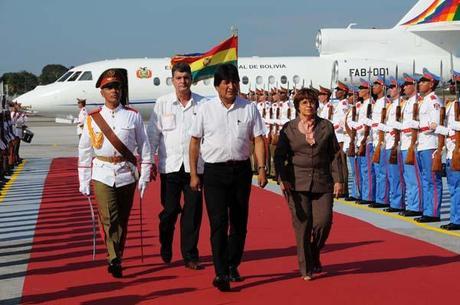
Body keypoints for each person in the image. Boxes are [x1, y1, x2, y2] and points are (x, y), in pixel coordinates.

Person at [189, 63, 268, 292]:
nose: (231, 86)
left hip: (241, 171)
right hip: (214, 172)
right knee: (218, 223)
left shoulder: (249, 108)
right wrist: (194, 173)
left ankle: (233, 264)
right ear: (217, 86)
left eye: (234, 81)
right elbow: (194, 142)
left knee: (240, 223)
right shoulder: (205, 109)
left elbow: (259, 139)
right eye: (226, 82)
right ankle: (221, 272)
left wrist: (261, 168)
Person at [78, 69, 152, 278]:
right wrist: (83, 179)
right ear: (101, 92)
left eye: (117, 87)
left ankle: (116, 252)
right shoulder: (93, 119)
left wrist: (145, 174)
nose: (114, 91)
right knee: (109, 217)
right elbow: (84, 150)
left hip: (126, 173)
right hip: (102, 172)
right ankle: (113, 258)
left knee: (122, 219)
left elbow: (144, 146)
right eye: (109, 87)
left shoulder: (132, 116)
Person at [274, 88, 343, 281]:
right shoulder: (289, 128)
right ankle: (306, 268)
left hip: (322, 181)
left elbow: (335, 156)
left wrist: (339, 180)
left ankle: (314, 253)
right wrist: (283, 178)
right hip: (296, 182)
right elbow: (280, 156)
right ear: (297, 106)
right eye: (304, 102)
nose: (309, 105)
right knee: (302, 225)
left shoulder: (326, 127)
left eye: (311, 102)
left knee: (323, 222)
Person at [147, 62, 206, 269]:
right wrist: (149, 161)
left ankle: (190, 255)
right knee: (170, 210)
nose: (183, 82)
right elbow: (153, 134)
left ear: (191, 79)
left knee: (192, 213)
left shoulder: (202, 104)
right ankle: (166, 240)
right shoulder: (163, 103)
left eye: (186, 78)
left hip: (195, 169)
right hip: (169, 166)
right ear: (172, 80)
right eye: (179, 78)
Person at [413, 69, 443, 223]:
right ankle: (427, 209)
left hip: (430, 144)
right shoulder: (424, 100)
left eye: (423, 81)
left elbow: (435, 124)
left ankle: (433, 212)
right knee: (425, 179)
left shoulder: (433, 101)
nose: (420, 84)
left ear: (431, 84)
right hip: (422, 144)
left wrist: (418, 125)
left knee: (432, 180)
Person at [399, 74, 423, 217]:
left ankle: (416, 206)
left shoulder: (418, 102)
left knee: (415, 178)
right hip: (404, 142)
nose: (404, 87)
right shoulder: (406, 102)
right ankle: (412, 204)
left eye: (407, 85)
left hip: (413, 143)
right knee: (408, 177)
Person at [382, 78, 406, 212]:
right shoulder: (391, 105)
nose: (390, 90)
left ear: (399, 89)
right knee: (391, 175)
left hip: (397, 142)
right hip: (389, 142)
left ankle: (398, 203)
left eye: (392, 87)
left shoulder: (402, 104)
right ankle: (394, 201)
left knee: (397, 175)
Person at [369, 77, 390, 208]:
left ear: (382, 87)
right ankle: (379, 197)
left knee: (383, 172)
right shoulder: (377, 102)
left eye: (376, 85)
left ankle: (383, 199)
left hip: (383, 140)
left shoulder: (385, 103)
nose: (373, 87)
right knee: (377, 171)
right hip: (375, 139)